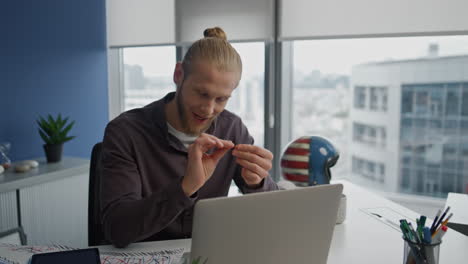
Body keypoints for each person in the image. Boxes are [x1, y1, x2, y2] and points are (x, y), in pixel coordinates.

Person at [100, 27, 279, 248]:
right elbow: (117, 228)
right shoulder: (126, 132)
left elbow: (275, 211)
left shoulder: (232, 128)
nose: (208, 109)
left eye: (221, 99)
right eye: (202, 93)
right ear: (178, 75)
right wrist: (185, 188)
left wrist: (257, 183)